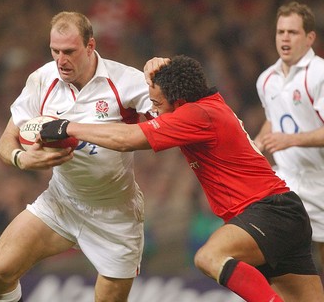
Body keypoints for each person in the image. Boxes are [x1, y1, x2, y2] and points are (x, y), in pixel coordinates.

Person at [40, 55, 324, 302]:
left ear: (178, 101)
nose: (153, 111)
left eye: (157, 103)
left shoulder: (196, 115)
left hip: (267, 213)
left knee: (208, 257)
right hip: (284, 214)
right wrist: (159, 65)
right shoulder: (206, 102)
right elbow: (179, 79)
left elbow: (126, 139)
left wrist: (68, 127)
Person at [0, 11, 153, 302]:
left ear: (90, 46)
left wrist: (160, 73)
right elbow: (6, 141)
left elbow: (167, 127)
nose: (61, 60)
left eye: (69, 52)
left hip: (115, 214)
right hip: (61, 203)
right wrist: (21, 159)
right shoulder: (42, 79)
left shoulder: (126, 81)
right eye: (55, 51)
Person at [254, 1, 324, 275]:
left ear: (309, 38)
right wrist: (259, 143)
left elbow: (287, 133)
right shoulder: (266, 79)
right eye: (280, 31)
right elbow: (274, 118)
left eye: (292, 32)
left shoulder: (319, 74)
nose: (284, 37)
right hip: (285, 178)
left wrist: (290, 140)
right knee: (266, 247)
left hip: (319, 179)